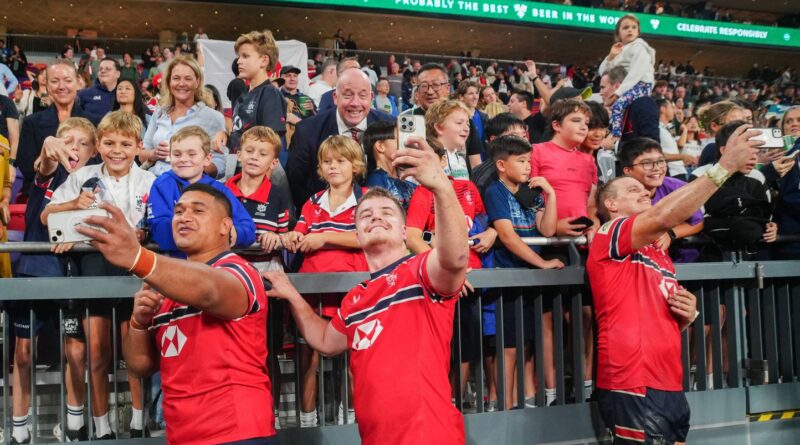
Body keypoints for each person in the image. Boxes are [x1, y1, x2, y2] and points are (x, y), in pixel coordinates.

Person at [264, 134, 469, 445]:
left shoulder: (421, 271)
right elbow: (325, 341)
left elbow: (454, 258)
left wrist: (440, 186)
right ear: (357, 235)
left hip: (428, 435)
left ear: (404, 231)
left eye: (386, 212)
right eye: (365, 215)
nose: (375, 216)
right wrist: (293, 294)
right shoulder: (357, 298)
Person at [588, 122, 763, 444]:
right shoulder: (609, 233)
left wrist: (685, 314)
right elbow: (662, 217)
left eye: (645, 191)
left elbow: (652, 315)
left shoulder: (658, 251)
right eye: (633, 190)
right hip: (633, 378)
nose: (645, 192)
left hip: (669, 380)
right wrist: (723, 168)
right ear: (611, 205)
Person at [64, 182, 275, 444]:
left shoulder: (239, 270)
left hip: (237, 429)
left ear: (225, 226)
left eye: (198, 211)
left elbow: (209, 291)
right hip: (181, 433)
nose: (184, 217)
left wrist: (138, 257)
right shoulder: (165, 285)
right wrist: (138, 324)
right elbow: (140, 366)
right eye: (178, 211)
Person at [42, 111, 156, 440]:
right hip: (93, 266)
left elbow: (158, 222)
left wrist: (144, 231)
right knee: (97, 352)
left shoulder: (149, 181)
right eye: (109, 143)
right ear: (99, 145)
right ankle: (102, 428)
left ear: (138, 146)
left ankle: (139, 423)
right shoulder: (83, 176)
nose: (117, 150)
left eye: (125, 144)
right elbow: (48, 215)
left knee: (136, 352)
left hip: (135, 265)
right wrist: (72, 213)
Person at [10, 118, 96, 443]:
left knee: (76, 352)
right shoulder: (48, 172)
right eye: (67, 141)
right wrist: (48, 148)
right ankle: (19, 429)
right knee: (23, 352)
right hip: (34, 272)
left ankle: (74, 425)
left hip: (72, 274)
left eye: (82, 143)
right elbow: (44, 163)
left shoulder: (95, 181)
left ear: (93, 150)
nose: (74, 148)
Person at [282, 135, 369, 427]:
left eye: (340, 161)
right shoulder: (312, 201)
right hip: (311, 289)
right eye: (327, 162)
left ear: (355, 165)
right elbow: (301, 231)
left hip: (351, 289)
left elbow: (366, 237)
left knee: (353, 358)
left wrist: (325, 237)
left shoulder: (367, 198)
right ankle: (307, 421)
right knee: (308, 355)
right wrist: (294, 237)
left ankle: (350, 421)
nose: (333, 167)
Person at [404, 142, 496, 406]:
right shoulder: (423, 193)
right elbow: (413, 236)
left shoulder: (468, 188)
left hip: (473, 277)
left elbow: (486, 221)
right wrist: (447, 270)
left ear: (443, 160)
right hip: (441, 283)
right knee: (441, 346)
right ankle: (439, 402)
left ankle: (454, 402)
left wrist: (492, 232)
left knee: (466, 346)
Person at [483, 135, 563, 409]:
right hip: (508, 278)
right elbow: (507, 236)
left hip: (528, 280)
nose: (528, 166)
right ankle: (504, 409)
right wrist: (541, 263)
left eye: (529, 161)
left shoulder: (531, 192)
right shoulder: (495, 191)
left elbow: (548, 229)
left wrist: (551, 195)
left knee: (525, 345)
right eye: (521, 161)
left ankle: (519, 405)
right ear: (502, 165)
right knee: (508, 348)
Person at [286, 68, 394, 207]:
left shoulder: (390, 127)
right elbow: (296, 183)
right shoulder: (307, 130)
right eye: (348, 95)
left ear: (371, 98)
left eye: (362, 96)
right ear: (335, 97)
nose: (355, 103)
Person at [147, 125, 255, 257]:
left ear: (207, 159)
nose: (183, 159)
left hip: (215, 264)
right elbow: (160, 230)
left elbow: (248, 227)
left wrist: (234, 234)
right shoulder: (162, 185)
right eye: (177, 154)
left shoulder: (220, 189)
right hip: (178, 264)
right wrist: (211, 234)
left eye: (191, 154)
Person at [17, 60, 100, 199]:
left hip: (86, 194)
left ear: (77, 83)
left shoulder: (96, 122)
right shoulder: (31, 122)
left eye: (68, 80)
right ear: (47, 86)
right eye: (55, 81)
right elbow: (27, 167)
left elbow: (98, 163)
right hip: (43, 195)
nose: (62, 86)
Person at [140, 56, 227, 178]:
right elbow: (142, 154)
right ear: (169, 81)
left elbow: (220, 164)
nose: (181, 84)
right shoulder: (159, 112)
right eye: (176, 78)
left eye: (188, 79)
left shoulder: (212, 117)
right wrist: (154, 154)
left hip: (188, 185)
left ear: (197, 82)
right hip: (154, 182)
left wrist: (191, 169)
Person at [224, 125, 290, 270]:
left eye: (263, 154)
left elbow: (284, 237)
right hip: (226, 268)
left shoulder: (278, 195)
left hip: (265, 267)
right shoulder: (221, 192)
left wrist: (276, 237)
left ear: (273, 163)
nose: (254, 157)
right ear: (239, 155)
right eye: (249, 151)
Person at [403, 63, 486, 165]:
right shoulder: (407, 120)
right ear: (417, 91)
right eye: (424, 86)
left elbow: (475, 164)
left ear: (447, 88)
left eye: (436, 85)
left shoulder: (464, 121)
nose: (430, 91)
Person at [226, 30, 287, 153]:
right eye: (239, 56)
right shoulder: (245, 94)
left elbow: (269, 146)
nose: (239, 61)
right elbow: (239, 134)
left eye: (245, 56)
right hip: (237, 162)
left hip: (253, 164)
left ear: (264, 61)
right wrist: (225, 136)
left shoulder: (269, 93)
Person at [598, 13, 656, 142]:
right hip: (628, 87)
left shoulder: (639, 46)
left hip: (641, 85)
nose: (630, 30)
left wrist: (618, 93)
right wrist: (611, 56)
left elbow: (636, 73)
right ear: (618, 33)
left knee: (617, 106)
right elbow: (603, 72)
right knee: (617, 109)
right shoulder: (621, 49)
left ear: (638, 32)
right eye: (625, 27)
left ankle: (616, 138)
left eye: (634, 27)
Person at [363, 120, 416, 210]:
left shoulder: (408, 181)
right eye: (399, 140)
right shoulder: (376, 181)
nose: (405, 145)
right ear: (380, 147)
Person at [600, 66, 659, 145]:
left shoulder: (643, 104)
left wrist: (616, 146)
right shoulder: (616, 113)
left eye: (603, 87)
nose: (600, 93)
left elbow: (652, 145)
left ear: (617, 86)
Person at [426, 99, 473, 177]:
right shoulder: (428, 159)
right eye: (459, 123)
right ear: (439, 128)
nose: (466, 129)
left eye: (468, 124)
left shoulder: (461, 161)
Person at [656, 99, 696, 181]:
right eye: (671, 107)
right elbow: (657, 155)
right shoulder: (657, 129)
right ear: (662, 109)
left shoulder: (667, 128)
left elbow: (679, 145)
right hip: (671, 174)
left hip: (680, 171)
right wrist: (682, 157)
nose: (674, 111)